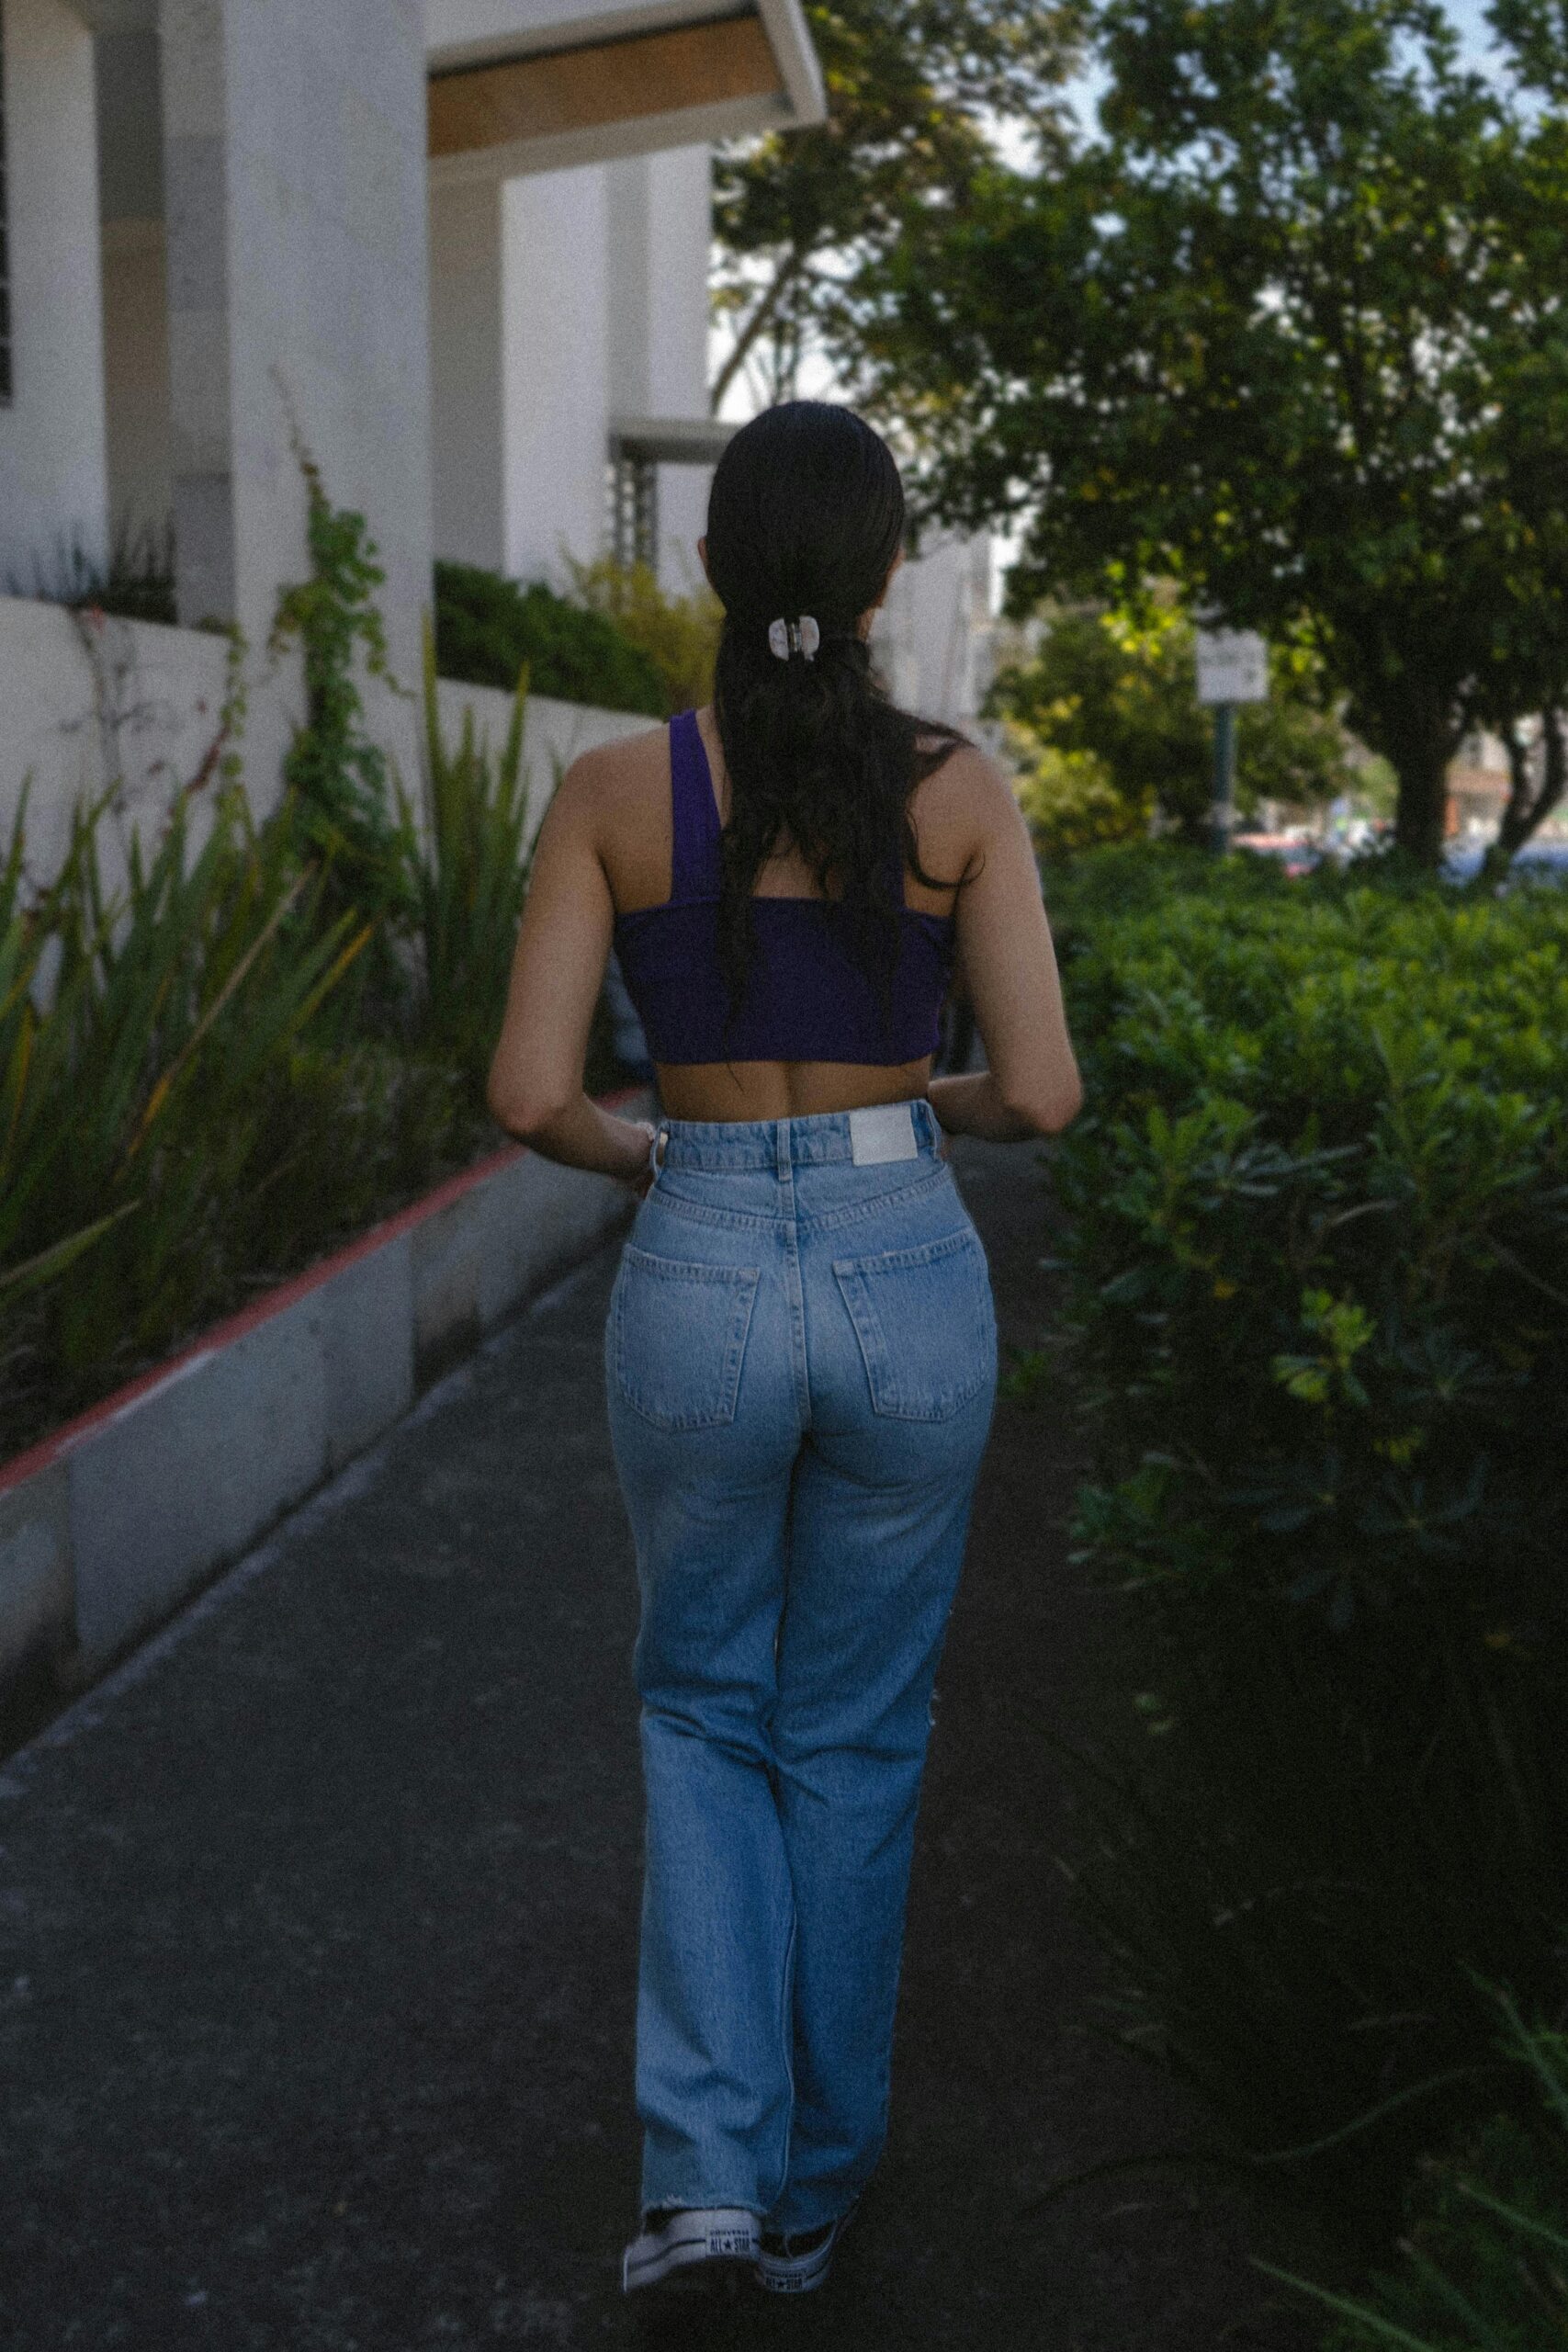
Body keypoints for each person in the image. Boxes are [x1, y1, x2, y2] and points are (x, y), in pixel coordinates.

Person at [485, 400, 1082, 2307]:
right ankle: (816, 2190)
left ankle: (705, 2181)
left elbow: (528, 1092)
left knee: (699, 1707)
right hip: (906, 1266)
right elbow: (1043, 1093)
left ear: (709, 568)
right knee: (854, 1730)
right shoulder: (957, 792)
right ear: (888, 572)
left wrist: (652, 1151)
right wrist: (921, 1109)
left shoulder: (612, 788)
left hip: (703, 1259)